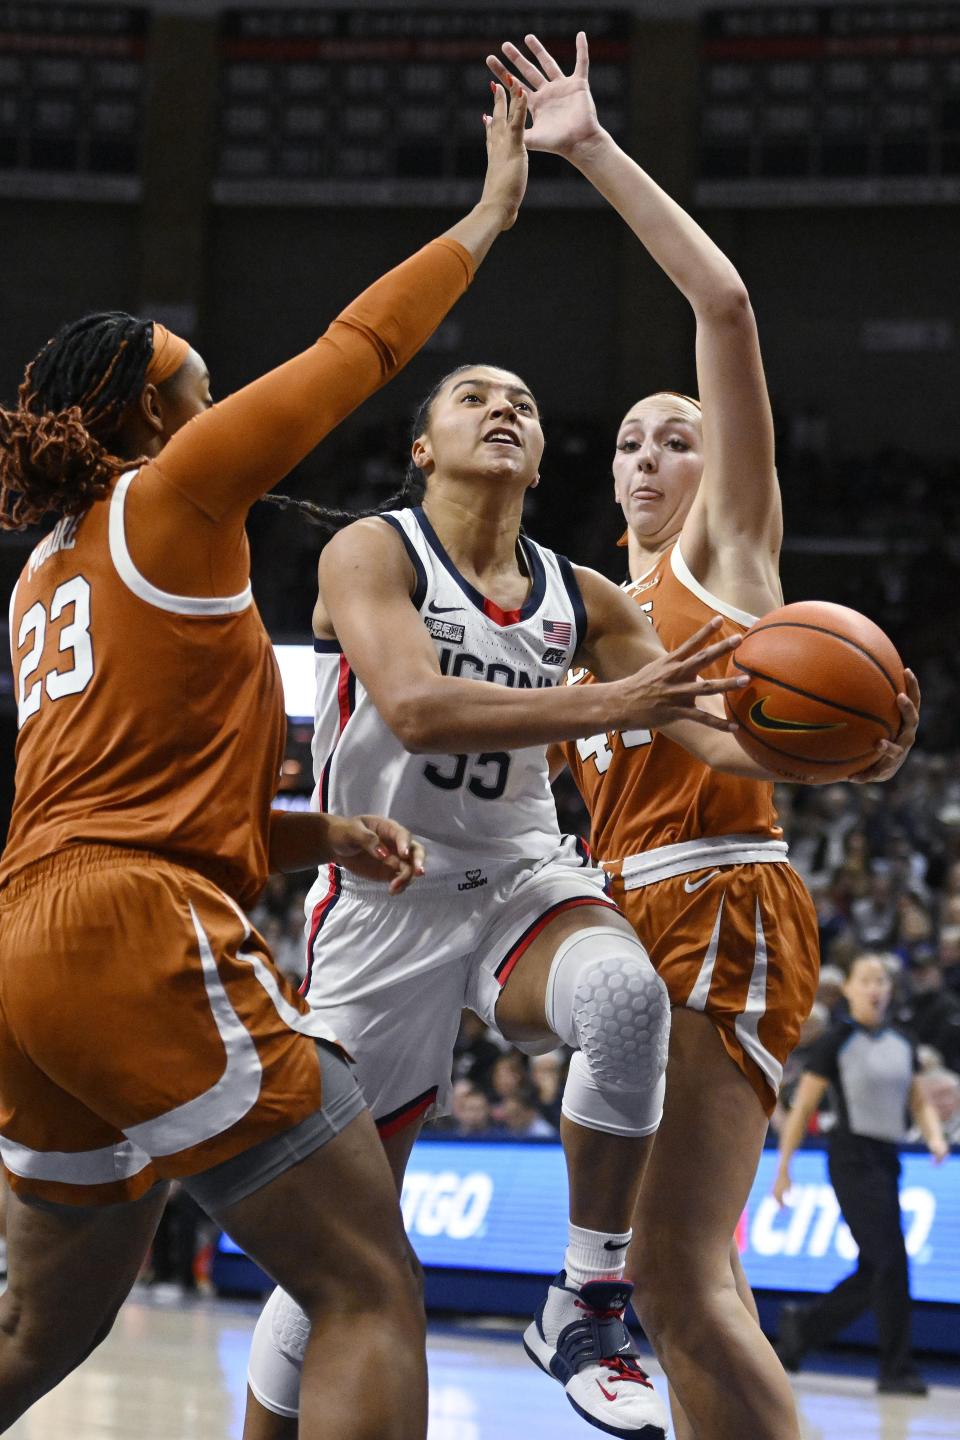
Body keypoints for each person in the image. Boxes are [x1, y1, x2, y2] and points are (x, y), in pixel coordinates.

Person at [0, 80, 530, 1437]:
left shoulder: (43, 580)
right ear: (150, 413)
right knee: (364, 1282)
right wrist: (489, 213)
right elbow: (359, 347)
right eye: (202, 385)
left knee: (41, 1326)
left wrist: (318, 833)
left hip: (30, 945)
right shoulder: (173, 492)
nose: (222, 396)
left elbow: (142, 787)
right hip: (136, 928)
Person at [485, 30, 921, 1440]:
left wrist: (590, 148)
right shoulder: (588, 615)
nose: (652, 455)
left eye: (675, 438)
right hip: (618, 925)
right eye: (629, 441)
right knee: (662, 1297)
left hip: (722, 898)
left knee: (678, 1278)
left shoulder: (730, 561)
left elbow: (722, 306)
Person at [243, 400, 785, 1434]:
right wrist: (606, 705)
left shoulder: (578, 597)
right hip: (380, 906)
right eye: (475, 396)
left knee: (628, 996)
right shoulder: (370, 550)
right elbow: (415, 705)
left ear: (540, 458)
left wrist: (843, 748)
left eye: (528, 406)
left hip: (519, 881)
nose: (506, 408)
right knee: (350, 1239)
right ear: (421, 447)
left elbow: (714, 738)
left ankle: (585, 1298)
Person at [773, 953, 948, 1394]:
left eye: (881, 981)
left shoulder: (903, 1042)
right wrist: (784, 1169)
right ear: (848, 989)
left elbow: (919, 1100)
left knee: (876, 1266)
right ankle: (896, 1370)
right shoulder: (837, 1040)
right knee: (892, 1262)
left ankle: (803, 1328)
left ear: (889, 991)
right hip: (850, 1158)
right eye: (866, 980)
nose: (875, 988)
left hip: (887, 1159)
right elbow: (803, 1108)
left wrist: (934, 1137)